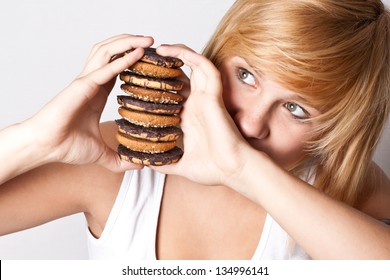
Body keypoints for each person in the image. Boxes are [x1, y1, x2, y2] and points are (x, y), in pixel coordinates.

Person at [1, 0, 390, 260]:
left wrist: (240, 169)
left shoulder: (347, 185)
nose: (251, 123)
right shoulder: (114, 160)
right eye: (246, 75)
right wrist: (36, 139)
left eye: (295, 108)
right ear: (216, 54)